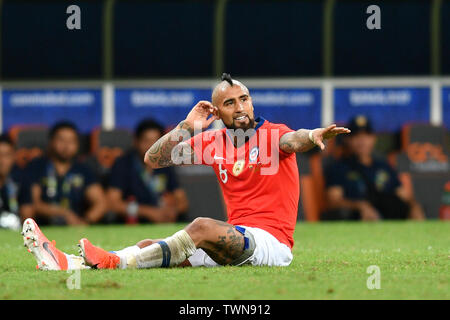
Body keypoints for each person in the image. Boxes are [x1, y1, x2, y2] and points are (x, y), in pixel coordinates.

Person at [21, 74, 350, 270]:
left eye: (244, 99)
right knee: (152, 244)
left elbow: (293, 141)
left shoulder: (273, 133)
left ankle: (111, 261)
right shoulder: (213, 140)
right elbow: (154, 158)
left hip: (270, 244)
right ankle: (70, 263)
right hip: (231, 239)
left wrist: (312, 135)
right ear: (217, 112)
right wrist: (187, 125)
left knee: (201, 226)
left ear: (252, 102)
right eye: (230, 103)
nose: (240, 108)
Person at [323, 115, 425, 221]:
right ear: (348, 140)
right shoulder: (338, 167)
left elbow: (404, 195)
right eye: (356, 136)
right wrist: (360, 206)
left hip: (389, 220)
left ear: (373, 138)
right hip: (357, 221)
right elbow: (333, 201)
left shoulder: (384, 166)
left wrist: (414, 207)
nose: (362, 141)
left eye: (366, 135)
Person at [25, 121, 107, 225]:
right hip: (44, 227)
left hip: (74, 226)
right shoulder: (37, 166)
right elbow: (33, 204)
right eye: (61, 140)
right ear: (51, 142)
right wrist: (63, 213)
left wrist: (85, 222)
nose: (66, 145)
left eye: (71, 141)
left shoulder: (83, 169)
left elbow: (101, 203)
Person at [107, 119, 189, 224]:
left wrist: (172, 211)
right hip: (132, 224)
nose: (152, 147)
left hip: (162, 223)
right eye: (146, 141)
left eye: (156, 142)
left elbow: (182, 201)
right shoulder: (123, 164)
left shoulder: (165, 164)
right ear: (136, 142)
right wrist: (149, 212)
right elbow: (113, 204)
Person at [0, 135, 33, 229]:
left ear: (14, 157)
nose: (2, 161)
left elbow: (27, 219)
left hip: (16, 233)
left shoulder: (21, 180)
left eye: (6, 155)